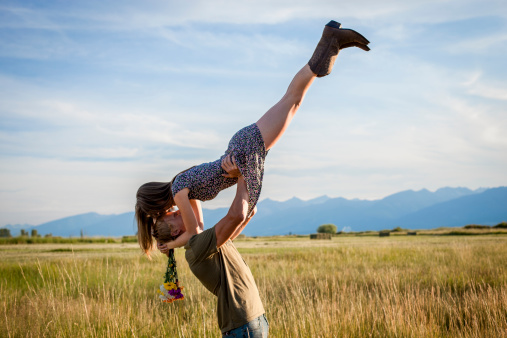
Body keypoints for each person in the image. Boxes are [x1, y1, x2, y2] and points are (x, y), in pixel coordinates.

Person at [147, 21, 370, 337]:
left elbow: (222, 217)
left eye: (171, 210)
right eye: (171, 216)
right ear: (175, 228)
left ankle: (329, 43)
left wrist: (237, 178)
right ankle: (328, 47)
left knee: (292, 101)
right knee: (293, 102)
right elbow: (236, 218)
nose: (174, 210)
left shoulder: (196, 235)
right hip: (249, 323)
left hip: (240, 154)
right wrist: (170, 241)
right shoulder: (197, 246)